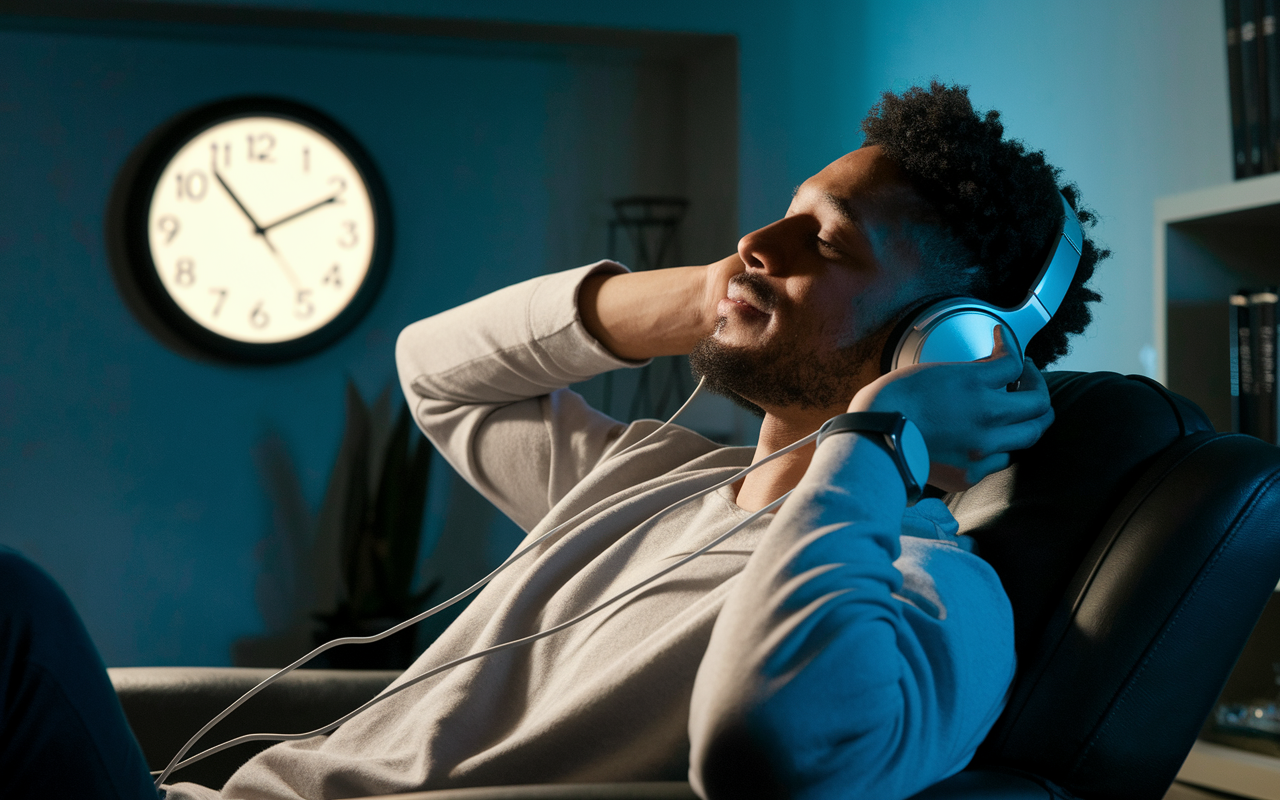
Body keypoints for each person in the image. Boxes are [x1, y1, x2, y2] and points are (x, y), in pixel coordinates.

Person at [0, 82, 1104, 800]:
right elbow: (438, 371)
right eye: (778, 212)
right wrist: (723, 294)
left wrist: (875, 435)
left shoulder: (932, 587)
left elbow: (772, 747)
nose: (751, 241)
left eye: (819, 240)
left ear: (950, 341)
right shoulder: (653, 477)